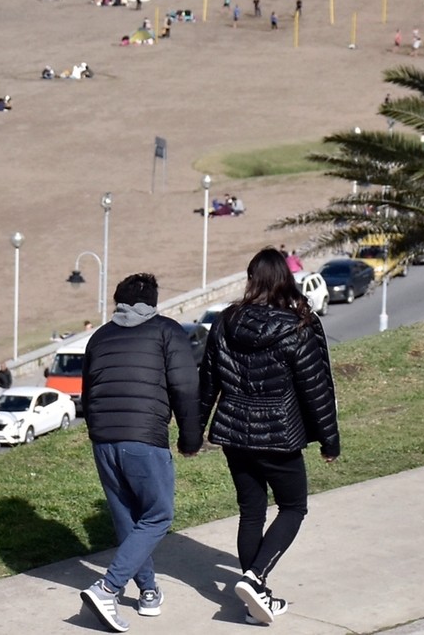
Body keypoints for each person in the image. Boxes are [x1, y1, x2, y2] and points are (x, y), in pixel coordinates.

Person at [200, 248, 340, 625]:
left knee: (251, 511)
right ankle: (255, 579)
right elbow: (316, 389)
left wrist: (194, 432)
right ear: (286, 279)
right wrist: (330, 441)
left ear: (251, 279)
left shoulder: (226, 321)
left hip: (233, 431)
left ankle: (252, 603)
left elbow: (208, 380)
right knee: (293, 507)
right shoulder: (298, 324)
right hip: (280, 434)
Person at [79, 273, 202, 632]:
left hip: (104, 441)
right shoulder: (167, 331)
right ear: (153, 301)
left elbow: (87, 394)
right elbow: (185, 386)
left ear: (118, 300)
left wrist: (97, 433)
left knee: (127, 519)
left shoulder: (99, 337)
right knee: (158, 515)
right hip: (144, 439)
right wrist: (191, 440)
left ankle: (148, 591)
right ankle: (107, 588)